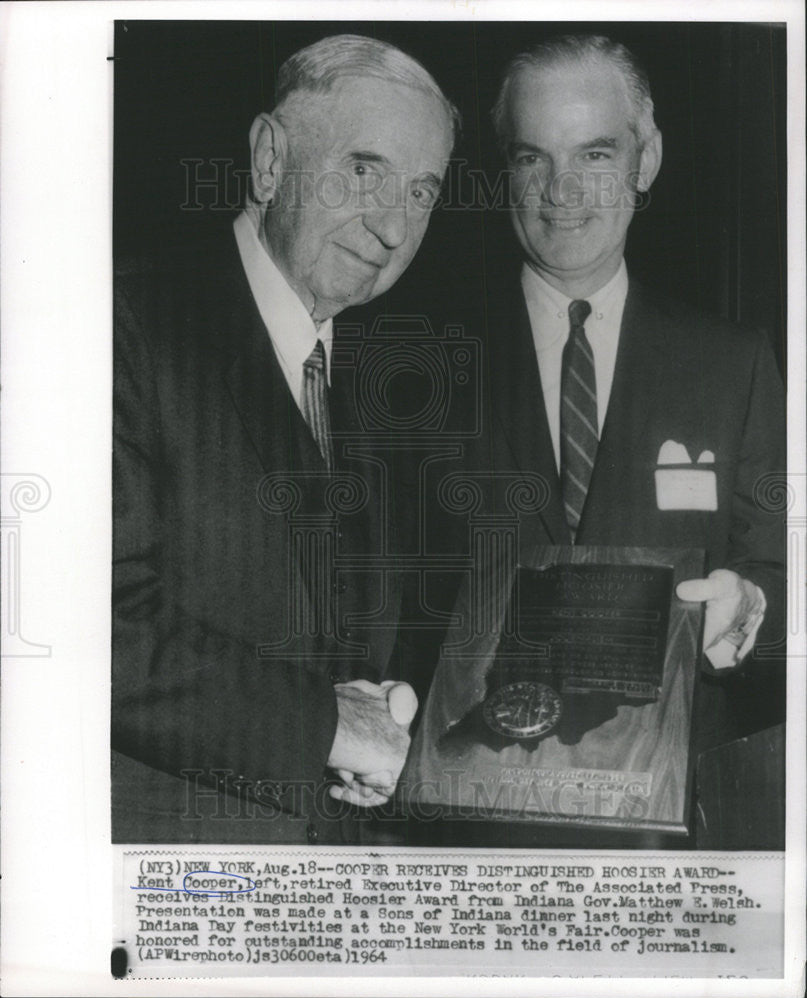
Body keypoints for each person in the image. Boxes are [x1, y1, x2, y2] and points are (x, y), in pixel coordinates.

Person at [112, 34, 457, 844]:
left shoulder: (383, 380)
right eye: (365, 169)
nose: (391, 226)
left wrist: (400, 701)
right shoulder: (123, 323)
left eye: (421, 192)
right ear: (269, 161)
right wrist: (330, 729)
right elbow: (84, 625)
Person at [479, 33, 785, 752]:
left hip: (672, 789)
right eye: (532, 157)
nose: (560, 191)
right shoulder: (418, 359)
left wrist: (751, 603)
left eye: (593, 154)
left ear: (643, 161)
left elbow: (783, 566)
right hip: (468, 784)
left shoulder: (731, 364)